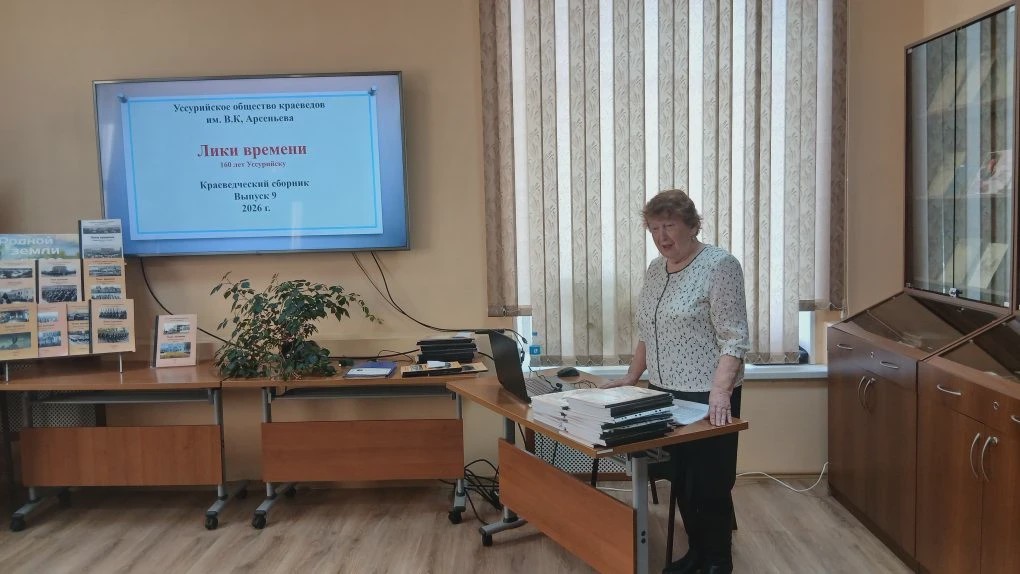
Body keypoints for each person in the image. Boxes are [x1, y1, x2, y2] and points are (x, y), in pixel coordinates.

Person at [604, 189, 749, 574]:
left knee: (710, 483)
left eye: (669, 226)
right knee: (681, 479)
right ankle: (696, 553)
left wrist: (721, 393)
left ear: (692, 225)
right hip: (665, 392)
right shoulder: (656, 269)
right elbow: (648, 330)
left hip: (707, 393)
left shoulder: (720, 265)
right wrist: (631, 376)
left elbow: (734, 337)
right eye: (654, 228)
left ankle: (718, 561)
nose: (661, 236)